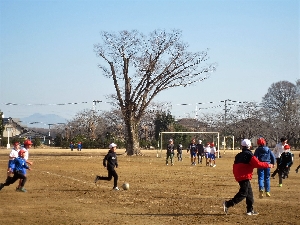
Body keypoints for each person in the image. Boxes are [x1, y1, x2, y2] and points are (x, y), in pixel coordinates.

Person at [223, 139, 273, 216]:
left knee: (249, 194)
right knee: (243, 193)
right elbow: (257, 164)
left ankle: (250, 210)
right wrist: (268, 165)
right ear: (250, 146)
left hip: (239, 175)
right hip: (244, 176)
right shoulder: (249, 154)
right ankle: (228, 204)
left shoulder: (238, 155)